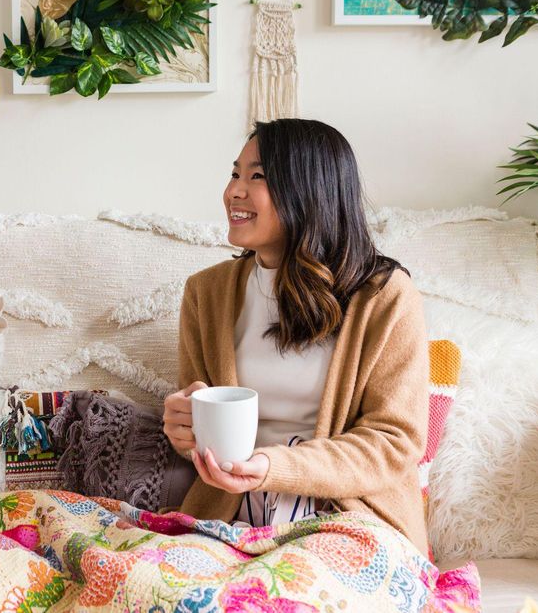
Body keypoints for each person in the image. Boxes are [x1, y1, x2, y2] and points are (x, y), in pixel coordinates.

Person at [162, 118, 430, 554]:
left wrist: (273, 465)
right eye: (234, 174)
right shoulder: (205, 293)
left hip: (346, 519)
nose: (234, 192)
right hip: (230, 521)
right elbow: (197, 439)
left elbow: (393, 443)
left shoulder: (384, 297)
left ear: (310, 191)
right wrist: (184, 428)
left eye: (258, 176)